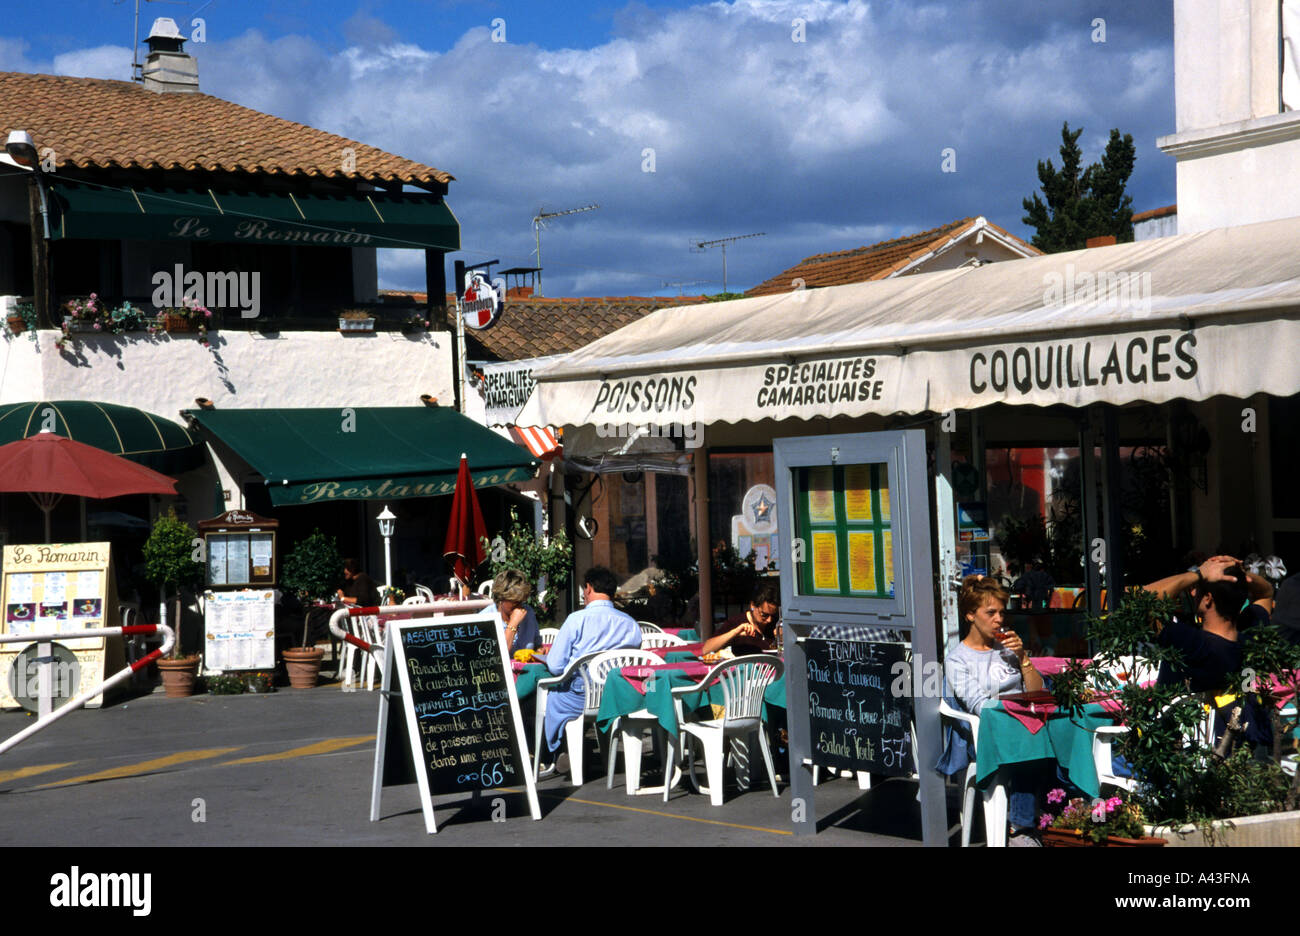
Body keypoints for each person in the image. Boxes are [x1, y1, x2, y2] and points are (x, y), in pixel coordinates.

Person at [944, 574, 1047, 845]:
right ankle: (1021, 829)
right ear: (970, 615)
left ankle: (1061, 822)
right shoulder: (957, 660)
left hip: (1024, 724)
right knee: (1030, 748)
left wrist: (1023, 658)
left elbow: (1038, 692)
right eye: (990, 613)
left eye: (1002, 612)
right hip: (989, 732)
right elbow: (980, 705)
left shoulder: (1008, 648)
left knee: (1063, 740)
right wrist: (1018, 715)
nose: (999, 619)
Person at [537, 566, 641, 778]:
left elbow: (555, 666)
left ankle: (557, 750)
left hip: (580, 697)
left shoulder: (576, 619)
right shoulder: (630, 623)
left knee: (550, 692)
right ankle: (579, 748)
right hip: (615, 696)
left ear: (589, 588)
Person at [1142, 555, 1274, 692]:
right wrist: (1237, 573)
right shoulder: (1252, 638)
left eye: (1197, 587)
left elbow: (1139, 601)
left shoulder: (1187, 642)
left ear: (1208, 599)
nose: (1192, 593)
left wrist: (1198, 574)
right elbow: (1266, 593)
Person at [701, 581, 780, 656]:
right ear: (752, 606)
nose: (769, 620)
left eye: (773, 615)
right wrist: (735, 632)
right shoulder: (737, 623)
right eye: (764, 615)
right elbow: (706, 649)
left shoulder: (776, 623)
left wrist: (782, 637)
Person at [492, 568, 540, 654]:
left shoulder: (529, 613)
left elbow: (537, 644)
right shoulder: (487, 618)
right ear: (501, 598)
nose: (519, 605)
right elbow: (498, 655)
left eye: (521, 601)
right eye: (514, 601)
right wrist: (513, 623)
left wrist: (540, 649)